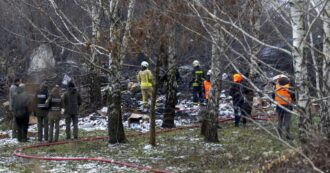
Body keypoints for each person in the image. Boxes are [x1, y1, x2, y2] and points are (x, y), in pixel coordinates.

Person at [273, 76, 295, 140]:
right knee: (287, 121)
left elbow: (273, 95)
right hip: (288, 105)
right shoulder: (289, 87)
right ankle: (288, 135)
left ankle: (280, 136)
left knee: (280, 121)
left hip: (279, 105)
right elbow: (293, 96)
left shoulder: (276, 86)